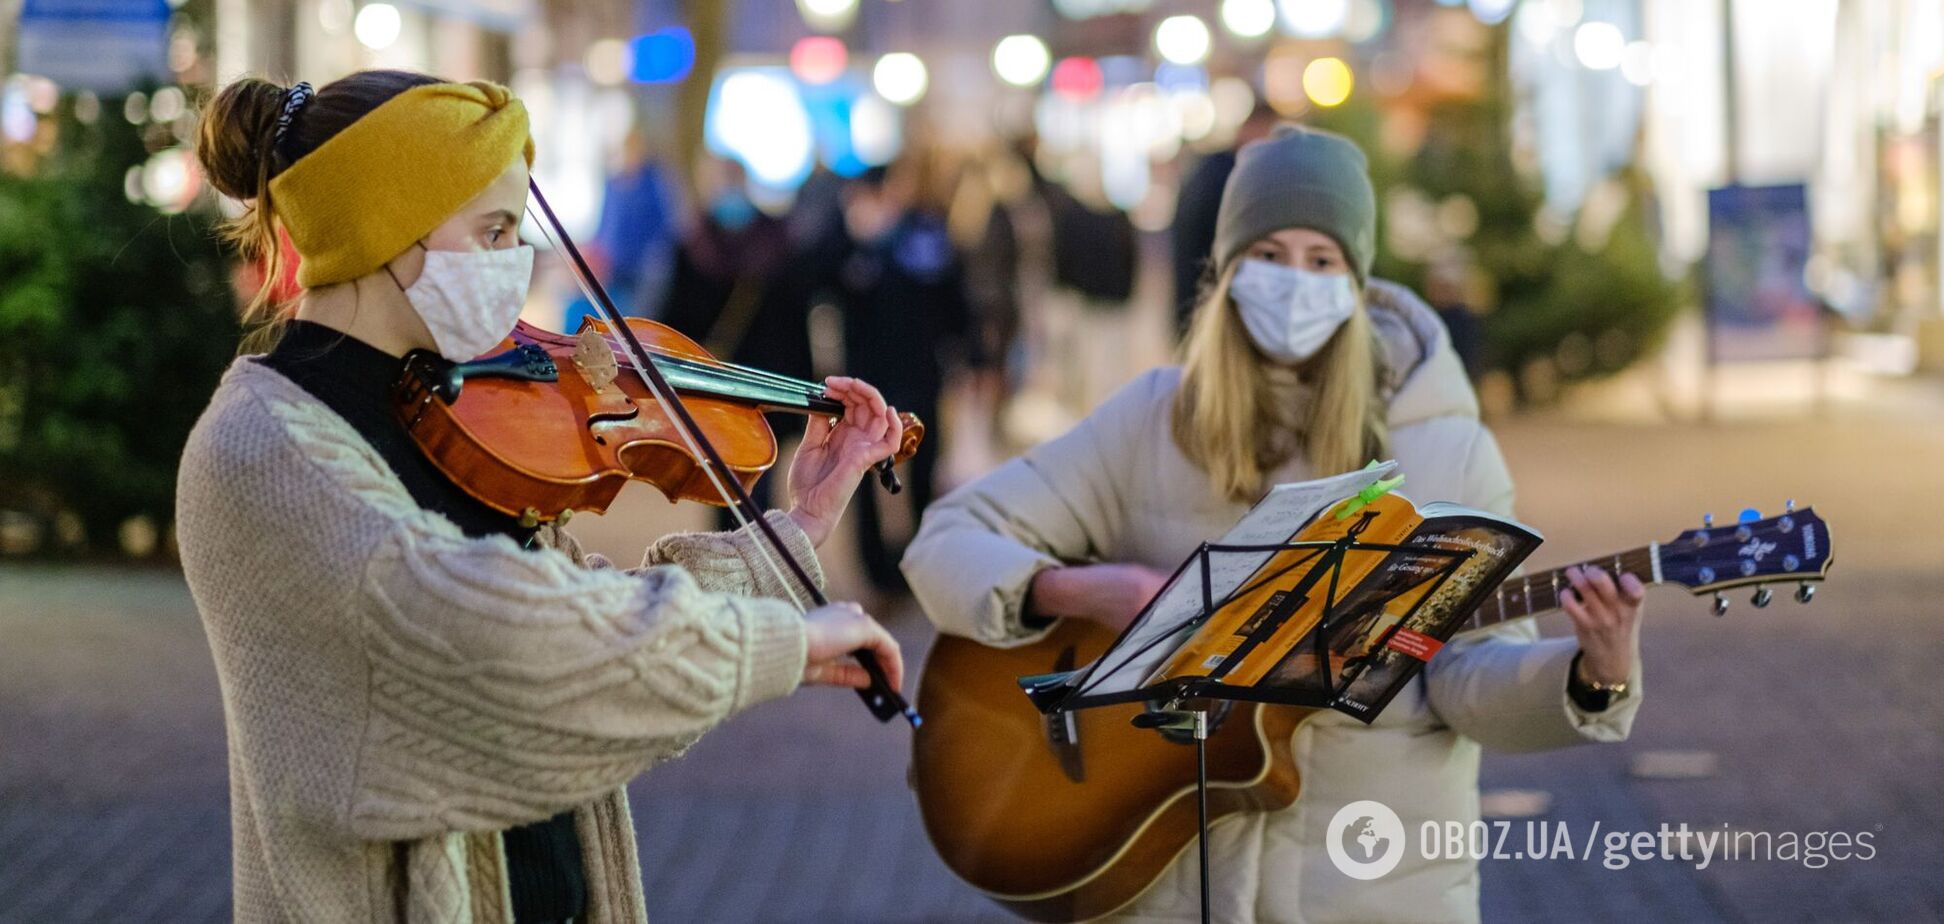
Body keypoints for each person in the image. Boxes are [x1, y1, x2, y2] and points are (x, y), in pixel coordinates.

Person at [179, 70, 906, 924]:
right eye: (491, 231)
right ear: (386, 223)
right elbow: (516, 634)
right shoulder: (262, 447)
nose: (513, 263)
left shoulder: (444, 407)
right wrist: (777, 642)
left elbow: (589, 609)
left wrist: (799, 528)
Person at [901, 125, 1645, 923]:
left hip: (1372, 889)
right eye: (1270, 255)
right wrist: (1078, 589)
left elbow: (1468, 679)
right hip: (1166, 888)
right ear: (1225, 270)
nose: (1296, 281)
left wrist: (1591, 674)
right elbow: (947, 538)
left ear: (1357, 281)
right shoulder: (1150, 420)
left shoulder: (1448, 451)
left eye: (1323, 261)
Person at [831, 163, 971, 593]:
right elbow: (821, 289)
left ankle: (922, 560)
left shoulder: (924, 236)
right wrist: (858, 244)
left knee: (923, 471)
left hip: (919, 374)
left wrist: (968, 353)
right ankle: (880, 572)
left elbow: (952, 298)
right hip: (865, 383)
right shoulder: (845, 242)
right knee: (862, 477)